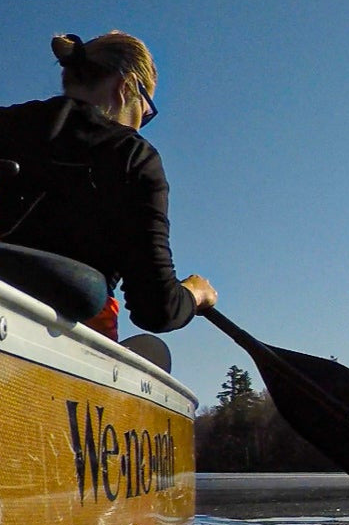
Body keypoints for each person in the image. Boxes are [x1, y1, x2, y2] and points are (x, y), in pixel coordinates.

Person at [0, 31, 216, 340]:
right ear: (126, 86)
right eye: (146, 110)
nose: (141, 122)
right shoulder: (133, 157)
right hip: (51, 347)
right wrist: (195, 294)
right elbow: (157, 308)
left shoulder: (7, 122)